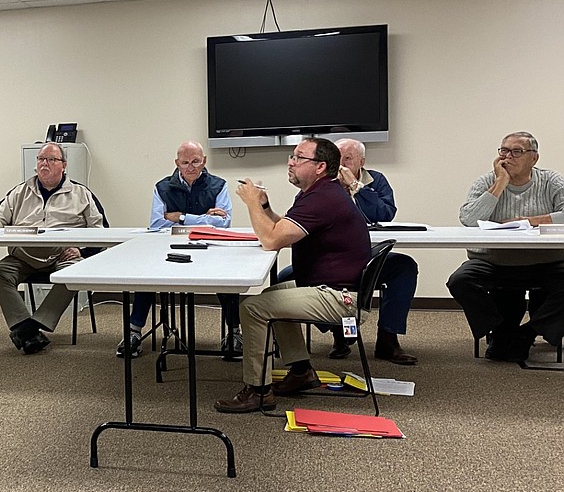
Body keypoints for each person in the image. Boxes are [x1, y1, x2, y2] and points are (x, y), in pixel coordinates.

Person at [216, 137, 371, 413]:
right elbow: (285, 228)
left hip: (340, 297)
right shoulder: (317, 193)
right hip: (332, 288)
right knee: (272, 296)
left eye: (299, 158)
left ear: (320, 166)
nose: (290, 162)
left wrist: (251, 204)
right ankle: (301, 371)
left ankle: (258, 391)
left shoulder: (323, 198)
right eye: (292, 156)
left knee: (252, 308)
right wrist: (264, 206)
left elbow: (272, 240)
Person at [279, 138, 419, 364]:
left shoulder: (375, 180)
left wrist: (355, 187)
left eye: (348, 159)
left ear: (361, 162)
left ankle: (388, 338)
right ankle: (338, 332)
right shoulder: (319, 185)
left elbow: (384, 213)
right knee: (284, 277)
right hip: (332, 257)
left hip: (367, 253)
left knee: (404, 267)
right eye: (337, 157)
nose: (341, 164)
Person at [0, 142, 106, 354]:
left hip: (63, 256)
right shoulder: (20, 191)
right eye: (41, 159)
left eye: (51, 159)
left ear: (63, 165)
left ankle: (32, 326)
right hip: (24, 256)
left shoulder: (81, 193)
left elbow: (101, 230)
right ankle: (26, 329)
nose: (44, 164)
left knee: (72, 275)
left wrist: (82, 250)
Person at [116, 141, 242, 360]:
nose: (190, 167)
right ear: (177, 163)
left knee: (228, 279)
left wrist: (180, 217)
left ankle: (234, 334)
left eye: (195, 161)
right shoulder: (162, 187)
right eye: (185, 162)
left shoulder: (218, 185)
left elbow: (223, 223)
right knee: (145, 276)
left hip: (210, 249)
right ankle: (134, 332)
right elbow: (157, 224)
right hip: (169, 249)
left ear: (204, 161)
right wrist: (205, 219)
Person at [447, 131, 564, 362]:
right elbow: (468, 219)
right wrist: (501, 183)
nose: (507, 157)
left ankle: (527, 333)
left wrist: (529, 221)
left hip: (546, 261)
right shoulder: (486, 182)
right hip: (493, 261)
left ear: (534, 158)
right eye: (503, 151)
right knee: (460, 281)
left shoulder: (551, 181)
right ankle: (500, 330)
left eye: (516, 152)